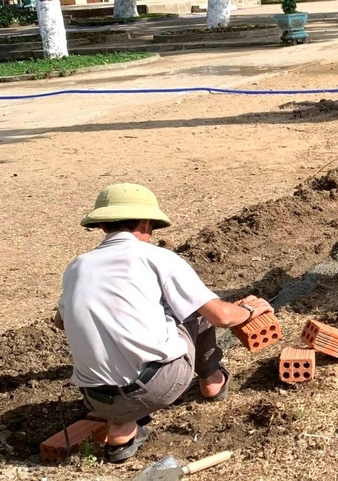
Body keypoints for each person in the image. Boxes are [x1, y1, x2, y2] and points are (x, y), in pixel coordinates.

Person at [53, 183, 274, 462]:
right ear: (147, 222)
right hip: (155, 388)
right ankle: (212, 381)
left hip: (96, 398)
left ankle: (121, 431)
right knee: (192, 309)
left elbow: (61, 322)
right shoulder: (156, 258)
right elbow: (221, 316)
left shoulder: (77, 267)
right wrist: (249, 310)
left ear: (102, 226)